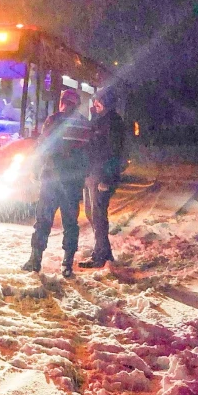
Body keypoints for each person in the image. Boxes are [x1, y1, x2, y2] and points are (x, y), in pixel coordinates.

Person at [22, 89, 91, 278]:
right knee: (70, 223)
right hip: (72, 183)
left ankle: (35, 260)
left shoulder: (53, 120)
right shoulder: (85, 124)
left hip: (51, 180)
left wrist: (35, 169)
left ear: (62, 102)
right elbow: (89, 154)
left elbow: (43, 147)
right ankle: (67, 264)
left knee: (43, 221)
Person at [80, 87, 127, 269]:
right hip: (92, 173)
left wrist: (107, 178)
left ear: (106, 101)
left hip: (101, 175)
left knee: (98, 216)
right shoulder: (100, 120)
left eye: (98, 101)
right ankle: (104, 252)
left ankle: (100, 256)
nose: (94, 104)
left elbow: (115, 152)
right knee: (92, 214)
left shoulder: (113, 122)